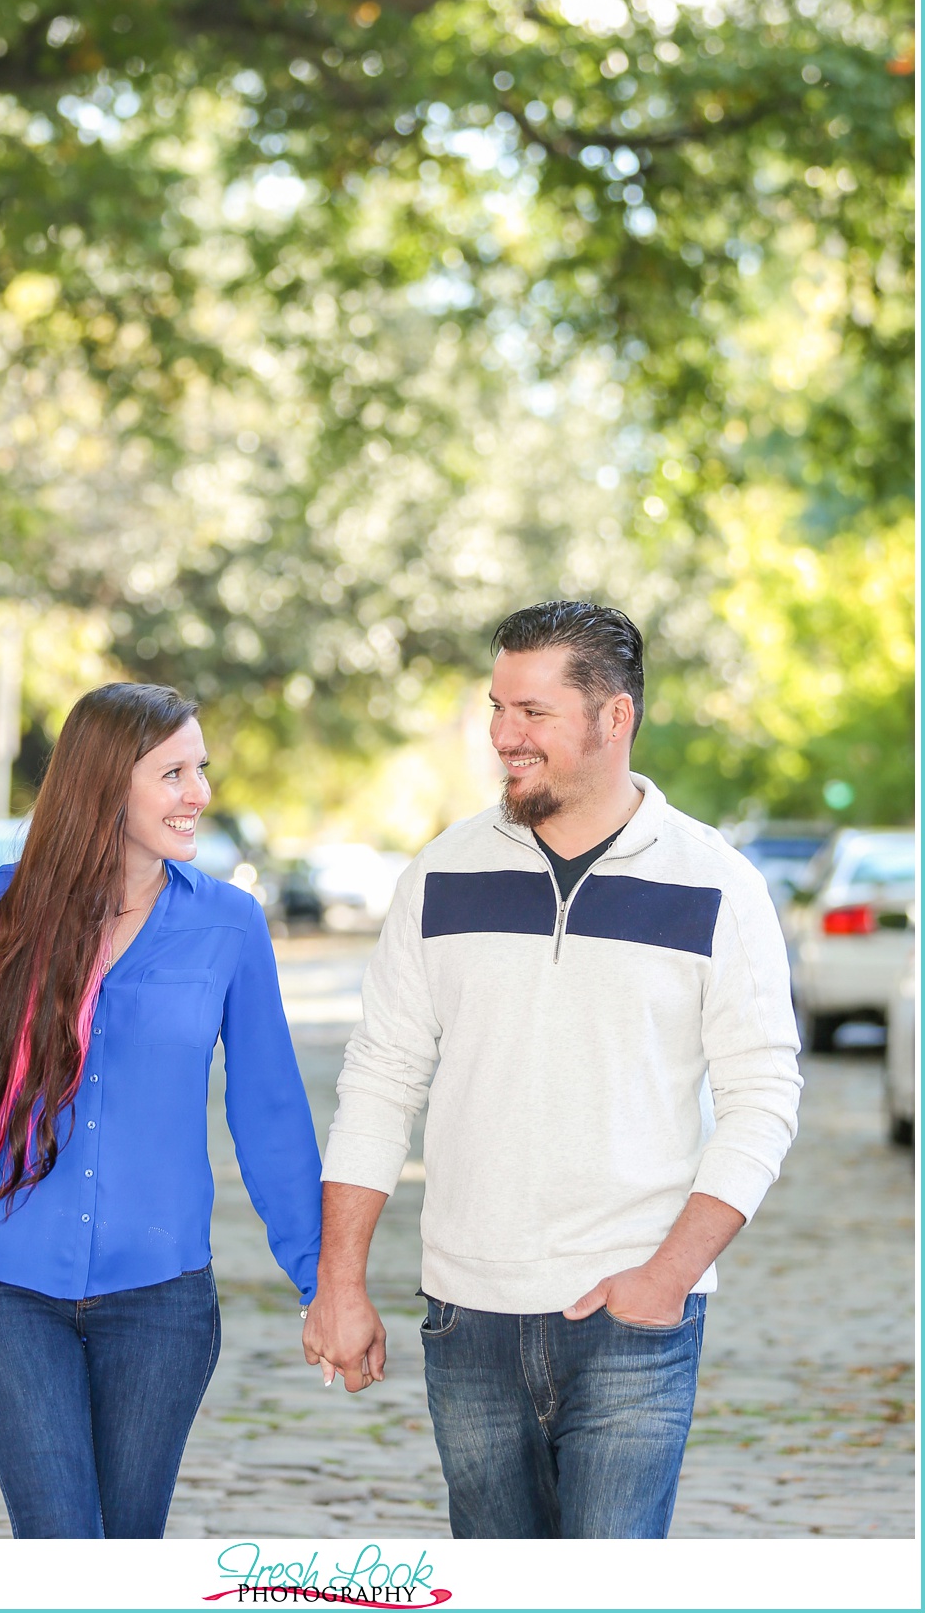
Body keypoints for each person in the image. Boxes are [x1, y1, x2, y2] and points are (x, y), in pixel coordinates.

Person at [303, 601, 802, 1539]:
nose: (502, 735)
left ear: (614, 719)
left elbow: (763, 1098)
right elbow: (379, 1080)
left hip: (634, 1318)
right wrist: (341, 1282)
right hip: (467, 1314)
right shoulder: (439, 876)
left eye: (533, 713)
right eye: (498, 707)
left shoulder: (717, 884)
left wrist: (668, 1276)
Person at [0, 682, 321, 1539]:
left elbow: (269, 1112)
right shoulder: (1, 905)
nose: (198, 793)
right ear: (105, 784)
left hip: (161, 1302)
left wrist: (323, 1280)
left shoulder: (229, 925)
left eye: (199, 770)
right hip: (6, 1289)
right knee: (61, 1545)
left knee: (127, 1551)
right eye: (172, 773)